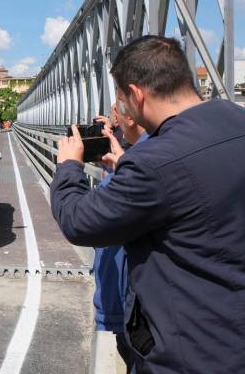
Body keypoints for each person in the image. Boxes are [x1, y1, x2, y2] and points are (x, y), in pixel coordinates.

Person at [51, 36, 245, 373]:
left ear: (137, 94)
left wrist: (69, 167)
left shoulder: (155, 160)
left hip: (196, 352)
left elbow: (79, 222)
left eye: (123, 100)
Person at [93, 101, 148, 373]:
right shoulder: (139, 158)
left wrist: (67, 169)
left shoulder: (143, 167)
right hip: (129, 298)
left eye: (117, 118)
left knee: (133, 353)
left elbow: (85, 221)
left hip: (133, 303)